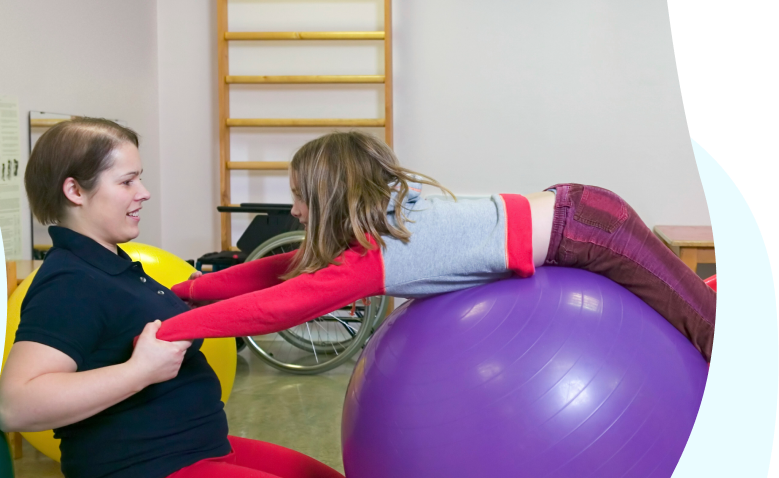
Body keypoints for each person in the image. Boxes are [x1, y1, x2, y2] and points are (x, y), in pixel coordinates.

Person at [0, 118, 370, 478]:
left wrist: (331, 258)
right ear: (74, 191)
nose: (143, 192)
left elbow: (218, 291)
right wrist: (138, 371)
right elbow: (16, 405)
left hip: (201, 451)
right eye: (127, 181)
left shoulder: (115, 267)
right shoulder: (68, 282)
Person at [155, 132, 715, 362]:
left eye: (301, 199)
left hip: (590, 229)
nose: (295, 212)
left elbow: (279, 305)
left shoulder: (380, 255)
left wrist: (170, 328)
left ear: (330, 199)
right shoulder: (380, 228)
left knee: (710, 333)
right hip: (577, 219)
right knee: (689, 310)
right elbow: (283, 271)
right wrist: (183, 291)